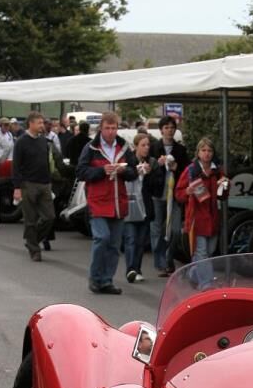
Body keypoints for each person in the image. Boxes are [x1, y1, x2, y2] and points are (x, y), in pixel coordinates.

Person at [76, 111, 137, 294]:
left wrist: (122, 172)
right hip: (98, 201)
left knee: (114, 245)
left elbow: (133, 172)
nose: (111, 132)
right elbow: (81, 172)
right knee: (101, 238)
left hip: (118, 202)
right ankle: (95, 278)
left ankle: (106, 280)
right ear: (100, 129)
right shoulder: (91, 148)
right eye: (107, 128)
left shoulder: (124, 146)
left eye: (114, 128)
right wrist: (102, 170)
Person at [175, 137, 228, 282]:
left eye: (210, 150)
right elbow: (178, 194)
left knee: (209, 251)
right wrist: (187, 191)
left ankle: (193, 272)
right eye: (203, 150)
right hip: (196, 219)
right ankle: (207, 283)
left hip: (213, 218)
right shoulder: (191, 170)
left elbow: (223, 197)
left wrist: (225, 186)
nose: (207, 153)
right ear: (198, 152)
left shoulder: (217, 171)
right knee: (202, 252)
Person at [12, 111, 55, 262]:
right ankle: (34, 250)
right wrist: (17, 188)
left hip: (44, 184)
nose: (42, 125)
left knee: (49, 217)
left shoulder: (43, 141)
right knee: (30, 219)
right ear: (31, 123)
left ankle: (32, 240)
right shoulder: (21, 141)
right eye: (39, 123)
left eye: (42, 123)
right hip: (28, 184)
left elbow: (46, 163)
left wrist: (50, 181)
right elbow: (16, 166)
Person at [148, 116, 187, 276]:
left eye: (172, 127)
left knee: (176, 230)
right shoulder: (154, 148)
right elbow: (147, 169)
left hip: (175, 195)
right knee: (156, 229)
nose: (169, 130)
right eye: (166, 127)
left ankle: (169, 259)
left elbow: (186, 171)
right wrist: (158, 164)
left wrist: (176, 167)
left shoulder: (180, 150)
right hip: (157, 194)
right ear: (161, 130)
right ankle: (161, 262)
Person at [124, 133, 155, 283]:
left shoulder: (151, 162)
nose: (146, 148)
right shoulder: (128, 160)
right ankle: (130, 269)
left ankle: (137, 268)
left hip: (145, 206)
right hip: (131, 204)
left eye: (148, 145)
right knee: (130, 238)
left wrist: (150, 174)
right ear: (135, 146)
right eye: (143, 145)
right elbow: (126, 176)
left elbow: (157, 185)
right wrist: (137, 171)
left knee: (141, 241)